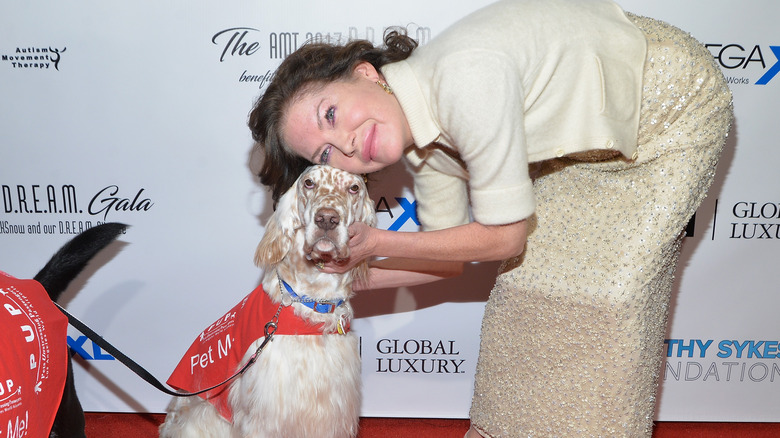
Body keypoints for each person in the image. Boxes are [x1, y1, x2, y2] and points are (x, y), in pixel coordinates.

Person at [247, 0, 733, 436]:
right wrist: (336, 281)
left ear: (367, 73)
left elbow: (504, 238)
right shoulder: (422, 145)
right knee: (521, 293)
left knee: (606, 306)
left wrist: (373, 244)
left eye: (330, 114)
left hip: (668, 107)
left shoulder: (464, 78)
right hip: (587, 143)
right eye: (326, 154)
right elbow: (450, 257)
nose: (347, 145)